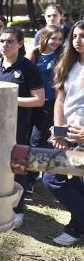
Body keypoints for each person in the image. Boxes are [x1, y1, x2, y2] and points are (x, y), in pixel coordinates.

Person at [0, 27, 44, 228]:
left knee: (17, 168)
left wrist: (11, 100)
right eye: (1, 41)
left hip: (18, 128)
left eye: (10, 42)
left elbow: (39, 100)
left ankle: (17, 209)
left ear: (20, 44)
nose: (5, 45)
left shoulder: (28, 68)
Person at [45, 20, 84, 246]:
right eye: (76, 36)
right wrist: (58, 130)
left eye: (83, 36)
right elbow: (60, 100)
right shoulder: (67, 64)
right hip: (66, 137)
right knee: (51, 178)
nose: (79, 40)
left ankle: (76, 227)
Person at [27, 25, 65, 192]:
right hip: (31, 102)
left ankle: (29, 179)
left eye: (59, 39)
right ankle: (31, 175)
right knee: (28, 138)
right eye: (53, 38)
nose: (56, 42)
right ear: (44, 38)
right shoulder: (35, 54)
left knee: (38, 140)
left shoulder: (61, 55)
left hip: (50, 104)